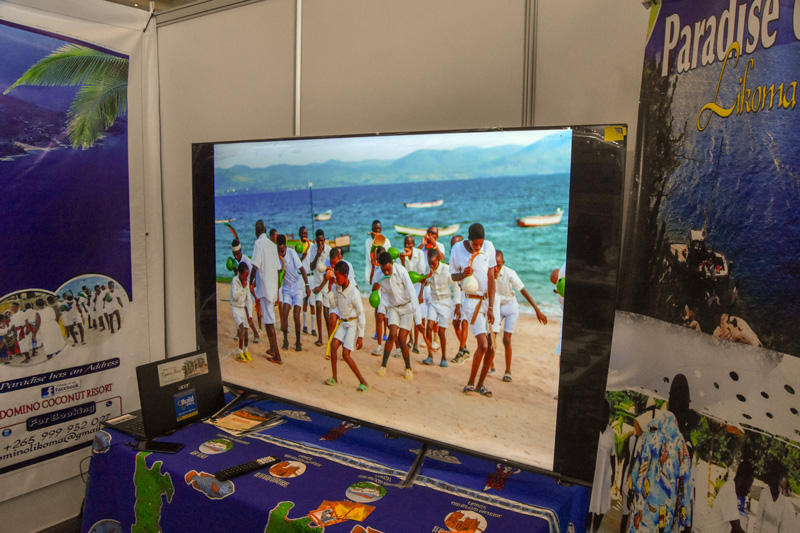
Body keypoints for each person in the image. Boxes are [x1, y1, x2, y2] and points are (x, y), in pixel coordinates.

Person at [628, 374, 694, 532]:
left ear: (669, 401)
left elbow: (634, 480)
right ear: (685, 407)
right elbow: (685, 502)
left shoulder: (649, 431)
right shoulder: (682, 448)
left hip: (639, 523)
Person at [450, 223, 496, 397]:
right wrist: (464, 274)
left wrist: (491, 306)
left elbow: (491, 279)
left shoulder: (489, 247)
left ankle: (481, 385)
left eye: (480, 244)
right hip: (471, 302)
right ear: (469, 240)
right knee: (483, 345)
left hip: (489, 301)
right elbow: (453, 276)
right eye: (475, 244)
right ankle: (470, 383)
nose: (479, 247)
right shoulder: (457, 249)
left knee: (492, 348)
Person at [490, 250, 547, 382]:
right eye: (494, 265)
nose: (496, 268)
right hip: (497, 306)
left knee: (506, 340)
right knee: (491, 337)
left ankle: (508, 370)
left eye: (498, 265)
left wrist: (537, 310)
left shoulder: (510, 273)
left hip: (510, 307)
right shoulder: (489, 274)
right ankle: (490, 365)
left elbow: (523, 291)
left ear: (503, 263)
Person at [324, 261, 369, 392]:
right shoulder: (336, 288)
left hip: (352, 324)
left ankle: (363, 382)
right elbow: (333, 306)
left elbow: (361, 315)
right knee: (333, 346)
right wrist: (329, 289)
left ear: (345, 275)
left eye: (338, 277)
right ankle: (334, 378)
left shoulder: (354, 293)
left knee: (346, 355)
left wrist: (360, 336)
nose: (336, 280)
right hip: (343, 322)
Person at [376, 251, 421, 380]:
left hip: (407, 308)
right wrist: (375, 290)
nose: (386, 273)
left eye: (388, 269)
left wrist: (418, 321)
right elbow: (379, 294)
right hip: (394, 308)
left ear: (392, 264)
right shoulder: (379, 275)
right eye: (383, 270)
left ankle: (408, 368)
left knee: (402, 339)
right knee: (392, 334)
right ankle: (383, 365)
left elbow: (413, 294)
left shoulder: (401, 271)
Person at [250, 220, 282, 364]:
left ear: (257, 232)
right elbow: (278, 268)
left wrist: (249, 282)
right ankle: (272, 349)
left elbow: (255, 266)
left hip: (264, 288)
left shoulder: (258, 244)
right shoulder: (272, 244)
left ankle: (277, 356)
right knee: (269, 319)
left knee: (269, 322)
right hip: (272, 287)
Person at [421, 248, 457, 367]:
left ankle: (443, 358)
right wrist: (425, 279)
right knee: (429, 327)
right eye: (429, 263)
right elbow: (425, 282)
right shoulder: (428, 270)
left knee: (441, 332)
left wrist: (458, 305)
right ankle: (430, 356)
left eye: (434, 263)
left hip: (445, 303)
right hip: (434, 302)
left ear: (438, 260)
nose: (432, 266)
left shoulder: (446, 271)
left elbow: (456, 287)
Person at [277, 234, 311, 352]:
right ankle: (285, 340)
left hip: (297, 286)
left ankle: (298, 341)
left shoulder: (291, 253)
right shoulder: (277, 257)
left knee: (296, 314)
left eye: (281, 248)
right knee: (285, 311)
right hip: (286, 288)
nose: (280, 250)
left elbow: (302, 270)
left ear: (285, 246)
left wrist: (307, 286)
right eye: (278, 248)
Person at [588, 400, 616, 532]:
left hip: (604, 476)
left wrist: (614, 476)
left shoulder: (611, 433)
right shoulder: (592, 429)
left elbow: (613, 456)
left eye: (606, 412)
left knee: (600, 508)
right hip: (591, 475)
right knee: (588, 508)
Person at [707, 459, 755, 533]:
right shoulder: (729, 491)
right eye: (748, 485)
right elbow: (736, 529)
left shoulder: (732, 489)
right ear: (742, 479)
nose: (748, 490)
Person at [752, 460, 797, 533]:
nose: (777, 482)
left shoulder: (783, 501)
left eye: (778, 479)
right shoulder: (764, 493)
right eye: (775, 478)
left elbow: (781, 527)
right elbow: (758, 520)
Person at [399, 235, 426, 354]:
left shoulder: (419, 254)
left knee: (417, 316)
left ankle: (416, 344)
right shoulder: (400, 255)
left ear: (413, 245)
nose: (407, 246)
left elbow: (422, 272)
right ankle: (410, 339)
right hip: (407, 288)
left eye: (409, 244)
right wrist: (404, 260)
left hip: (418, 286)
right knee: (408, 313)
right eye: (406, 244)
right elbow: (403, 273)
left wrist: (421, 294)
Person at [232, 238, 261, 343]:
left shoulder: (247, 261)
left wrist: (252, 285)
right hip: (241, 290)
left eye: (237, 253)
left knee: (247, 313)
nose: (236, 256)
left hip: (249, 291)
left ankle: (256, 334)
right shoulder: (234, 261)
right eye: (234, 254)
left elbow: (257, 275)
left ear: (241, 251)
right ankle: (239, 333)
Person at [309, 229, 332, 347]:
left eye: (322, 241)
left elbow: (329, 271)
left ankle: (330, 337)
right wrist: (317, 254)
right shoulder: (312, 249)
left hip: (326, 285)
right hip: (316, 283)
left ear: (324, 240)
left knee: (326, 312)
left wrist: (321, 287)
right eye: (318, 241)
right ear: (315, 241)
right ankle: (320, 338)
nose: (320, 243)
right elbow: (311, 267)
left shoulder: (329, 250)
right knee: (318, 306)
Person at [450, 234, 469, 362]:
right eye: (452, 246)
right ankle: (465, 348)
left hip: (469, 295)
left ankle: (462, 350)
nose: (453, 248)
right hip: (459, 295)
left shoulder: (468, 259)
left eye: (456, 245)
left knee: (464, 321)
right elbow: (456, 285)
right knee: (455, 322)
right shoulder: (454, 260)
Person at [230, 262, 253, 362]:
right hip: (235, 307)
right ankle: (239, 352)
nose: (246, 277)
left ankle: (245, 350)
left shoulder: (246, 283)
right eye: (245, 275)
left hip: (242, 307)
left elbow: (248, 300)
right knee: (242, 329)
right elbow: (235, 295)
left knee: (247, 330)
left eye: (247, 275)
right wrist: (242, 287)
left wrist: (250, 315)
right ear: (240, 273)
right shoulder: (235, 281)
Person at [297, 226, 316, 336]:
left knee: (312, 303)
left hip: (311, 276)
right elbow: (297, 262)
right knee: (304, 301)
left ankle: (313, 327)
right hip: (301, 277)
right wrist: (303, 256)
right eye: (303, 234)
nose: (304, 236)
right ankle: (304, 325)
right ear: (300, 235)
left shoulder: (312, 246)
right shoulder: (298, 247)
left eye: (306, 234)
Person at [365, 219, 391, 286]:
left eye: (378, 229)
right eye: (375, 229)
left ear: (381, 230)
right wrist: (375, 241)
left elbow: (388, 257)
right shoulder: (368, 242)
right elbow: (372, 257)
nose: (377, 231)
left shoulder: (386, 241)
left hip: (384, 270)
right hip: (372, 270)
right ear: (372, 229)